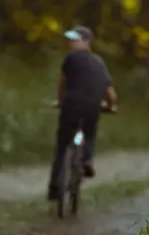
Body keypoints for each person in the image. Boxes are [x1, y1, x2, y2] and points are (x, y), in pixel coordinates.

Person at [47, 25, 118, 201]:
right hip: (93, 106)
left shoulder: (71, 58)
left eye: (75, 39)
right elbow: (111, 93)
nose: (71, 43)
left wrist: (60, 101)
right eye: (71, 40)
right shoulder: (100, 63)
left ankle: (55, 189)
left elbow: (62, 83)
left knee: (63, 143)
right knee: (90, 133)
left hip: (70, 105)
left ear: (87, 42)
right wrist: (110, 106)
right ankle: (86, 160)